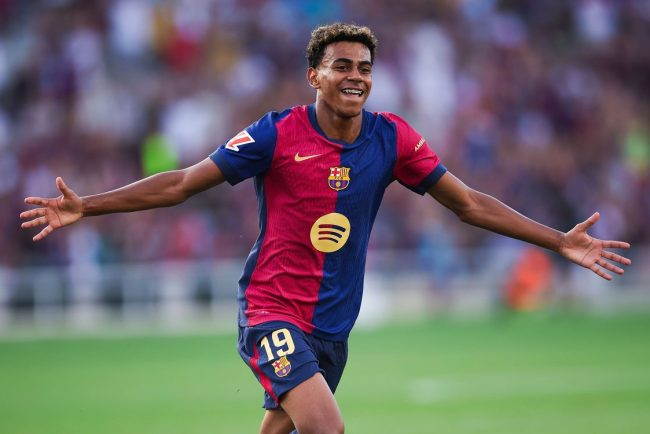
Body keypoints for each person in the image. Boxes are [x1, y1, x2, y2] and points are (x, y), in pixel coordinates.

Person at [20, 23, 631, 434]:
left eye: (364, 67)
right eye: (341, 66)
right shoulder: (275, 133)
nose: (355, 76)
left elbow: (469, 204)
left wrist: (558, 240)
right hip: (271, 311)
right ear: (314, 75)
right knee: (325, 426)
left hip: (333, 326)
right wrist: (88, 206)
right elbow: (181, 183)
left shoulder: (393, 138)